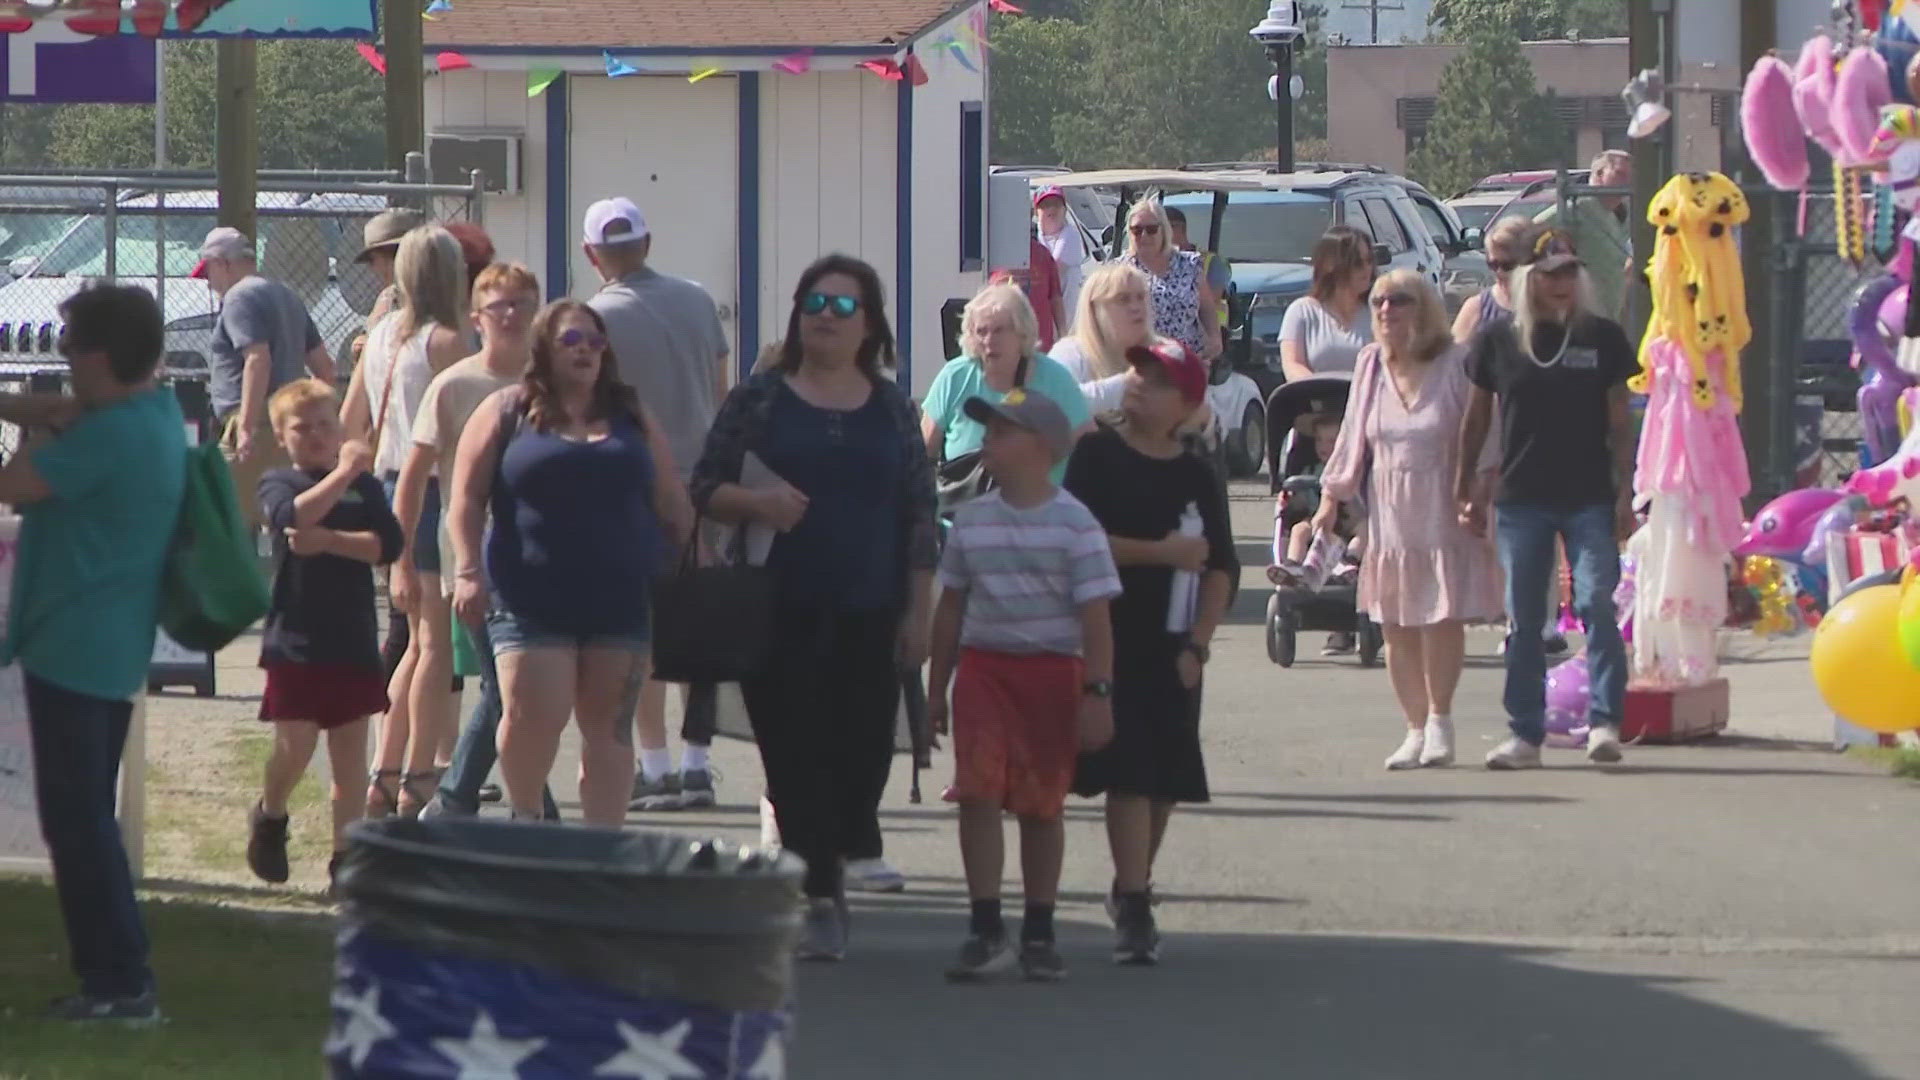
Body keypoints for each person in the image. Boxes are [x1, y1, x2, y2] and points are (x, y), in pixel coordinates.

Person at [691, 255, 938, 962]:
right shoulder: (761, 398)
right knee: (794, 757)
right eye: (813, 304)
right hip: (777, 607)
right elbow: (704, 485)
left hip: (872, 606)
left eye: (841, 307)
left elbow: (921, 515)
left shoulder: (892, 407)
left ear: (870, 325)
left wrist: (919, 610)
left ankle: (839, 848)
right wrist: (758, 503)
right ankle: (819, 896)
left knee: (862, 755)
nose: (824, 318)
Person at [0, 282, 184, 1023]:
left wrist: (39, 429)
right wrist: (33, 410)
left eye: (72, 348)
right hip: (105, 646)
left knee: (77, 825)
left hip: (76, 647)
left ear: (100, 355)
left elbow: (16, 484)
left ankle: (119, 981)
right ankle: (116, 974)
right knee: (85, 820)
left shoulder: (105, 436)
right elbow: (56, 420)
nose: (66, 362)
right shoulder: (152, 413)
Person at [448, 301, 693, 825]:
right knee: (532, 713)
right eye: (572, 340)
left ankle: (600, 849)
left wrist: (693, 560)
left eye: (596, 342)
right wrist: (467, 571)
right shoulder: (505, 411)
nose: (586, 350)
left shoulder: (629, 415)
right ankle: (530, 820)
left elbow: (670, 494)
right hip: (528, 597)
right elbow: (465, 499)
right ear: (544, 348)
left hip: (621, 597)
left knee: (609, 727)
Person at [929, 391, 1120, 984]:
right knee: (978, 794)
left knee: (1041, 807)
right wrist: (936, 690)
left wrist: (1097, 695)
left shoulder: (1076, 524)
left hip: (1050, 675)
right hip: (984, 671)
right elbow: (950, 609)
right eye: (986, 431)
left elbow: (1096, 619)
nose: (988, 442)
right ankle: (986, 927)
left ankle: (1039, 929)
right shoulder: (971, 521)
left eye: (1002, 433)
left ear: (1042, 449)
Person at [1064, 339, 1237, 966]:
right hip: (1109, 636)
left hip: (1174, 645)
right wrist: (1158, 553)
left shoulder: (1195, 471)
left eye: (1157, 380)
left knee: (1165, 779)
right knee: (1129, 774)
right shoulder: (1096, 454)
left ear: (1186, 403)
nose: (1138, 384)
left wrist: (1199, 645)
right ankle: (1135, 903)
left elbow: (1220, 566)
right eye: (1136, 373)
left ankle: (1129, 883)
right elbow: (1078, 543)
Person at [1458, 229, 1638, 770]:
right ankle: (1525, 735)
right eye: (1550, 274)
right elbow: (1477, 417)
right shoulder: (1497, 339)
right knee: (1526, 617)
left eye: (1569, 273)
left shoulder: (1601, 338)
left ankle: (1605, 723)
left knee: (1596, 602)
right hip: (1522, 495)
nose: (1561, 284)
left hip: (1588, 495)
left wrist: (1626, 490)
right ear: (1527, 278)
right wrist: (1464, 483)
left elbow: (1620, 419)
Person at [577, 196, 732, 815]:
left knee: (638, 631)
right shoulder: (697, 299)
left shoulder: (594, 318)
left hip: (635, 484)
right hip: (703, 480)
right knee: (698, 627)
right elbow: (720, 390)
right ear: (648, 242)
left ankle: (655, 764)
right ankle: (697, 763)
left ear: (593, 255)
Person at [1315, 270, 1502, 771]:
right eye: (1377, 301)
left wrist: (1480, 490)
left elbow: (1485, 432)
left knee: (1440, 617)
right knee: (1395, 623)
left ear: (1423, 308)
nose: (1386, 310)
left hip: (1444, 504)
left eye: (1399, 301)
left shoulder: (1457, 362)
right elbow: (1353, 433)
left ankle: (1441, 721)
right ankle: (1414, 729)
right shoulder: (1371, 364)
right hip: (1390, 513)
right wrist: (1331, 497)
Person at [404, 264, 557, 822]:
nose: (512, 316)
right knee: (503, 687)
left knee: (519, 692)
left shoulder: (555, 383)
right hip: (474, 564)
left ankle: (515, 804)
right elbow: (413, 474)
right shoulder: (456, 385)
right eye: (500, 307)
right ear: (477, 320)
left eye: (523, 303)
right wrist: (402, 559)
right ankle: (461, 802)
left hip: (542, 560)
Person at [248, 380, 403, 891]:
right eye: (302, 428)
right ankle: (271, 815)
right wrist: (343, 473)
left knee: (349, 756)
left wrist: (333, 540)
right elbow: (294, 519)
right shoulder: (280, 482)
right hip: (295, 637)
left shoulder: (367, 486)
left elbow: (386, 545)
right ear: (282, 436)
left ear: (340, 427)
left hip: (353, 636)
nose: (315, 435)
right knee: (296, 744)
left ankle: (346, 858)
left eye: (324, 425)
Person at [342, 225, 470, 817]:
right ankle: (417, 775)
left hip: (393, 484)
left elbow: (351, 419)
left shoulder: (381, 337)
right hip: (437, 491)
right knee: (433, 648)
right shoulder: (447, 341)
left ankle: (384, 771)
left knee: (416, 643)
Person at [1453, 217, 1570, 659]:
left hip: (1540, 432)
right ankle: (1518, 619)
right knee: (1504, 534)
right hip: (1492, 431)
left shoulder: (1551, 310)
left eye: (1506, 264)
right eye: (1492, 264)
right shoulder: (1478, 309)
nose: (1498, 273)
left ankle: (1542, 622)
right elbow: (1455, 369)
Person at [194, 226, 336, 533]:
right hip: (288, 423)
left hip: (252, 421)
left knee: (229, 519)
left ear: (222, 263)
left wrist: (245, 427)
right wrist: (322, 419)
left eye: (209, 274)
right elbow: (324, 368)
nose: (210, 284)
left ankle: (246, 582)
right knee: (283, 517)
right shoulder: (287, 296)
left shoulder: (238, 298)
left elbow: (257, 360)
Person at [923, 282, 1091, 487]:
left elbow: (1090, 451)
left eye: (999, 330)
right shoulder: (955, 377)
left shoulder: (1055, 379)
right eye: (981, 331)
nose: (989, 340)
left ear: (1022, 332)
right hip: (964, 514)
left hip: (1040, 514)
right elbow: (923, 453)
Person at [1534, 149, 1634, 321]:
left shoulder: (1620, 214)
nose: (1627, 180)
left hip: (1612, 313)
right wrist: (1558, 249)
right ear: (1600, 174)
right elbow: (1533, 228)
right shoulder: (1578, 208)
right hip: (1582, 315)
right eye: (1620, 173)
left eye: (1630, 176)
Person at [1119, 198, 1221, 362]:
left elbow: (1207, 307)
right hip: (1141, 363)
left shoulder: (1190, 265)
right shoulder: (1120, 271)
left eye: (1151, 229)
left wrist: (1215, 337)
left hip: (1188, 359)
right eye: (1137, 230)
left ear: (1164, 231)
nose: (1144, 235)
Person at [1050, 262, 1156, 415]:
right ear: (1095, 308)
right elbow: (1055, 403)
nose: (1136, 307)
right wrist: (1122, 387)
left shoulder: (1161, 351)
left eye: (1140, 297)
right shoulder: (1072, 352)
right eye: (1123, 299)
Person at [1279, 225, 1374, 382]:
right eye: (1357, 262)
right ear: (1330, 265)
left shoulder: (1379, 313)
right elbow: (1292, 364)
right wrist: (1321, 391)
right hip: (1316, 402)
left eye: (1369, 260)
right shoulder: (1302, 311)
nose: (1366, 269)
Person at [349, 208, 427, 368]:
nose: (372, 268)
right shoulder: (389, 296)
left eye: (372, 260)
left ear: (395, 257)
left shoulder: (434, 296)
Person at [1166, 206, 1231, 354]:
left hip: (1207, 336)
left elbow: (1210, 299)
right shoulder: (1158, 261)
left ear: (1179, 229)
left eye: (1160, 229)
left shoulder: (1210, 261)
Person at [1034, 186, 1086, 326]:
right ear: (1036, 212)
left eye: (1056, 204)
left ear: (1065, 210)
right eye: (1045, 205)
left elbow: (1053, 272)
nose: (1051, 210)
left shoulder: (1070, 234)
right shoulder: (1034, 237)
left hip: (1067, 322)